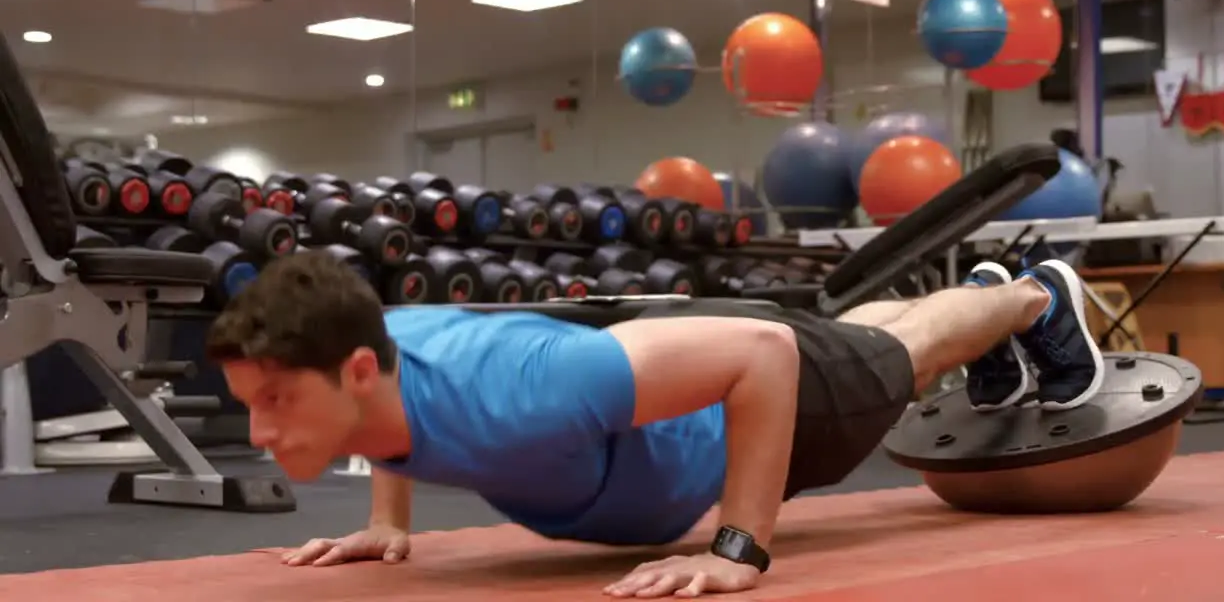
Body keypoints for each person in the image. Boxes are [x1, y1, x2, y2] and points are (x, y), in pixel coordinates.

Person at [207, 251, 1104, 598]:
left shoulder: (530, 389)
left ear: (356, 373)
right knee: (884, 338)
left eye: (276, 401)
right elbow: (389, 404)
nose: (258, 432)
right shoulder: (373, 359)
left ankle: (1030, 297)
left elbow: (763, 355)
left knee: (901, 353)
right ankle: (994, 296)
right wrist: (386, 523)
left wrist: (738, 548)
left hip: (750, 410)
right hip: (662, 378)